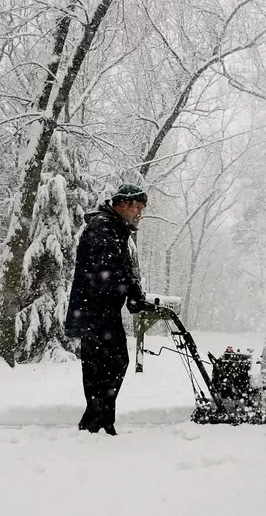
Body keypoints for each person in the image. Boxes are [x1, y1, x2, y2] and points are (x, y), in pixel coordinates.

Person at [65, 183, 156, 435]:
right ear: (124, 205)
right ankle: (95, 422)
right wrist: (130, 293)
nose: (139, 213)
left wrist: (135, 296)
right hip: (94, 310)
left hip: (101, 311)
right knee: (105, 365)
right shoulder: (103, 228)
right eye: (137, 208)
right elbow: (110, 271)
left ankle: (101, 420)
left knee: (111, 364)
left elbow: (122, 269)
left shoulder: (115, 228)